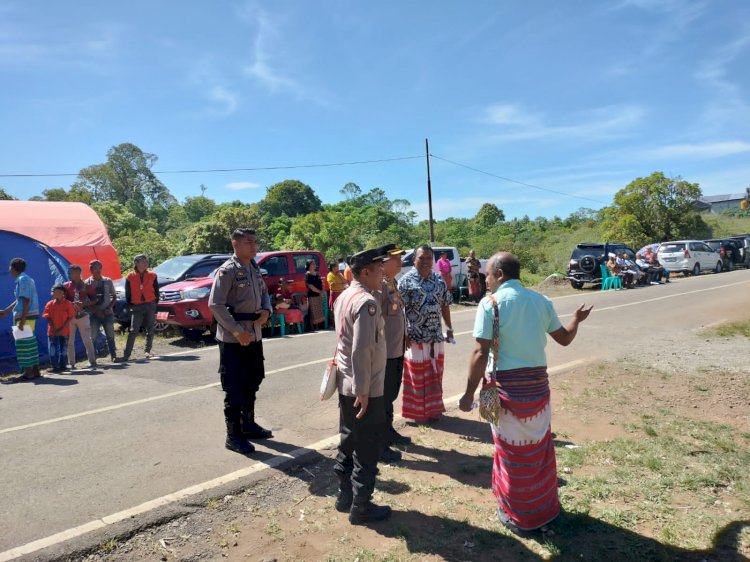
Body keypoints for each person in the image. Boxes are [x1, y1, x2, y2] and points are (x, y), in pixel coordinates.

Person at [459, 252, 592, 533]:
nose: (485, 280)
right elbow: (565, 339)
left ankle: (517, 515)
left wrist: (468, 394)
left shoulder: (490, 304)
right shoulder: (541, 301)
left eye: (487, 275)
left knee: (509, 454)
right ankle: (543, 509)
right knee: (538, 452)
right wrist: (577, 320)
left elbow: (480, 352)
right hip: (538, 391)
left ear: (500, 274)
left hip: (505, 391)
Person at [332, 247, 391, 524]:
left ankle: (344, 497)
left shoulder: (345, 296)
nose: (383, 272)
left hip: (347, 383)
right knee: (366, 446)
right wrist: (364, 390)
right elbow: (362, 349)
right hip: (364, 387)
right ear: (365, 271)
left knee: (348, 440)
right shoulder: (365, 302)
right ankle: (362, 506)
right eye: (379, 269)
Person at [208, 228, 273, 455]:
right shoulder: (227, 271)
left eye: (255, 242)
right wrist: (236, 331)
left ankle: (248, 425)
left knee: (253, 379)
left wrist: (267, 310)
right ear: (235, 243)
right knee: (234, 387)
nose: (254, 247)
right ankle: (233, 435)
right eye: (249, 243)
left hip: (253, 334)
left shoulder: (254, 268)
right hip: (234, 339)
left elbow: (265, 294)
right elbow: (215, 304)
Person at [397, 244, 454, 423]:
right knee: (417, 376)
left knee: (436, 374)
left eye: (429, 258)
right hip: (414, 337)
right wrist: (403, 334)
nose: (426, 261)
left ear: (433, 260)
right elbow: (399, 311)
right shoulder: (405, 281)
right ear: (414, 260)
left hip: (436, 336)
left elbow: (445, 304)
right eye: (422, 258)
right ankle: (417, 414)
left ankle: (433, 410)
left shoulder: (438, 279)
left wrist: (449, 328)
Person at [377, 243, 410, 462]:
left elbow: (397, 312)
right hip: (384, 353)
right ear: (382, 261)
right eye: (395, 258)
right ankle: (379, 440)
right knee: (382, 397)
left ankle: (388, 432)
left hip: (396, 349)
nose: (400, 262)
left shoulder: (392, 282)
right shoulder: (377, 285)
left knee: (390, 395)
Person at [0, 258, 41, 381]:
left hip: (26, 317)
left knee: (23, 344)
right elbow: (20, 299)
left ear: (13, 268)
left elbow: (26, 301)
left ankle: (28, 373)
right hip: (28, 316)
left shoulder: (23, 280)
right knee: (30, 342)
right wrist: (7, 311)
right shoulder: (25, 279)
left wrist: (22, 321)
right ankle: (35, 371)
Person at [120, 254, 159, 361]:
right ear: (136, 263)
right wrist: (130, 306)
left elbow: (156, 291)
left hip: (150, 304)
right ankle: (126, 355)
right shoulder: (130, 276)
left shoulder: (153, 275)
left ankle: (148, 350)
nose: (145, 263)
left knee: (150, 329)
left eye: (146, 261)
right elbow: (128, 293)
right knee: (133, 331)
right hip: (136, 306)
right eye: (143, 261)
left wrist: (155, 303)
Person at [63, 264, 97, 369]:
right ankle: (71, 363)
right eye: (68, 273)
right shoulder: (66, 286)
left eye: (71, 273)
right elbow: (62, 299)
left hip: (83, 315)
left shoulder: (86, 285)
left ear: (78, 273)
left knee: (87, 339)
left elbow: (95, 300)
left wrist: (84, 304)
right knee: (70, 341)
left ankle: (92, 361)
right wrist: (70, 303)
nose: (69, 275)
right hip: (70, 317)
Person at [86, 260, 118, 363]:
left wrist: (109, 308)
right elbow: (86, 301)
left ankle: (113, 355)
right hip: (94, 314)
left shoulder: (108, 281)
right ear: (91, 270)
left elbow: (114, 296)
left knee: (110, 335)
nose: (98, 270)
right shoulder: (87, 283)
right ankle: (93, 358)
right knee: (93, 337)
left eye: (99, 267)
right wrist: (95, 311)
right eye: (95, 268)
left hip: (107, 313)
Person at [42, 284, 76, 372]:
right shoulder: (49, 304)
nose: (55, 293)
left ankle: (63, 365)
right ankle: (54, 366)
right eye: (54, 292)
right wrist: (54, 329)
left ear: (63, 293)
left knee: (64, 349)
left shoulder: (68, 304)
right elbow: (47, 317)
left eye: (57, 292)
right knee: (52, 349)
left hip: (64, 331)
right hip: (52, 331)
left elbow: (70, 317)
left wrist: (61, 329)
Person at [305, 259, 325, 331]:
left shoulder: (317, 274)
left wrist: (322, 290)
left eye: (314, 264)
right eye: (312, 264)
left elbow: (321, 283)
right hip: (312, 295)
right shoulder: (308, 274)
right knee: (313, 311)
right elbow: (310, 286)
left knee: (319, 310)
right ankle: (311, 327)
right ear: (309, 266)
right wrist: (319, 291)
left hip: (318, 295)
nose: (314, 265)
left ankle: (319, 325)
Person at [326, 261, 348, 325]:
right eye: (336, 266)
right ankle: (335, 323)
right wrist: (342, 285)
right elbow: (333, 285)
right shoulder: (330, 275)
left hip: (341, 293)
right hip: (335, 294)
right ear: (333, 268)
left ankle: (342, 322)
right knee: (335, 309)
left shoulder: (339, 274)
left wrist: (340, 275)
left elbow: (345, 282)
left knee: (342, 309)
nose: (338, 268)